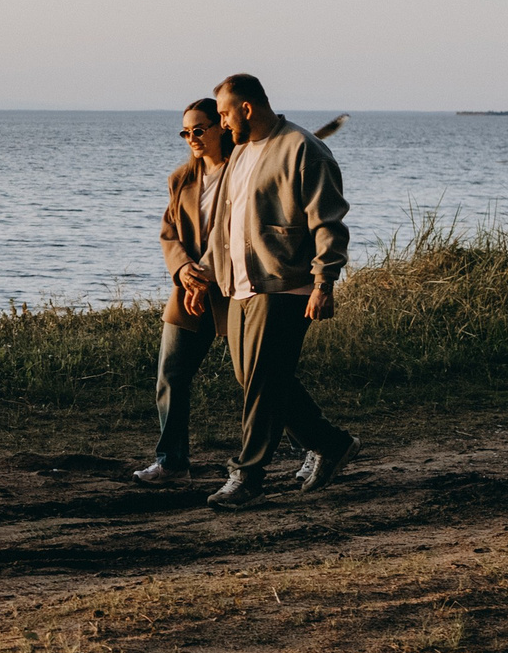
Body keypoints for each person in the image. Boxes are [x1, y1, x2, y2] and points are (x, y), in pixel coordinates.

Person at [204, 73, 358, 508]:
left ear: (246, 108)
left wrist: (324, 282)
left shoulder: (302, 149)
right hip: (239, 285)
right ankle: (331, 443)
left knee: (263, 382)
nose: (221, 123)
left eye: (223, 114)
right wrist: (208, 270)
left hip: (286, 286)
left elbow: (328, 222)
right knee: (252, 378)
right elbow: (228, 220)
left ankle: (247, 476)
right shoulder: (240, 152)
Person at [136, 97, 232, 485]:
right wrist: (183, 270)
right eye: (185, 132)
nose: (191, 137)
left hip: (235, 290)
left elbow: (233, 234)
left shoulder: (241, 171)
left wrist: (205, 273)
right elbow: (169, 233)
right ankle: (173, 463)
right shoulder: (181, 179)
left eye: (199, 129)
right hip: (189, 289)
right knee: (171, 373)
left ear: (221, 126)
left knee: (260, 376)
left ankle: (316, 444)